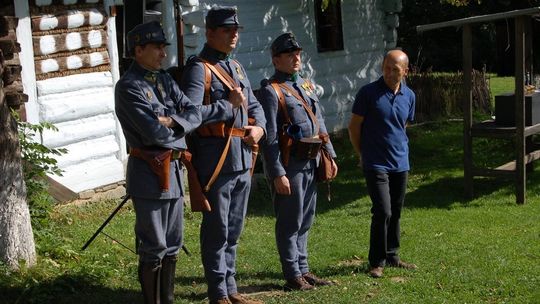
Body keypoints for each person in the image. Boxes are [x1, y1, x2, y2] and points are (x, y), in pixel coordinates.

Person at [180, 7, 266, 304]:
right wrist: (227, 107)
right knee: (218, 228)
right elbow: (189, 115)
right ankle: (218, 291)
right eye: (227, 30)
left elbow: (254, 106)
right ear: (210, 33)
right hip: (215, 160)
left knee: (235, 228)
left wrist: (261, 129)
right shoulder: (199, 69)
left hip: (242, 159)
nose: (234, 35)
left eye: (236, 30)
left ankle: (231, 288)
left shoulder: (237, 67)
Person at [114, 21, 201, 304]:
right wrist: (176, 125)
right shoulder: (129, 87)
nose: (163, 54)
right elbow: (153, 132)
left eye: (164, 48)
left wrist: (169, 120)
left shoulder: (164, 80)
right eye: (157, 48)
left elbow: (194, 113)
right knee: (154, 246)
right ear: (138, 50)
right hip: (148, 174)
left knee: (173, 244)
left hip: (173, 172)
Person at [257, 33, 338, 291]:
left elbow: (320, 122)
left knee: (306, 219)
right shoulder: (271, 91)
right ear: (276, 59)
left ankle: (304, 269)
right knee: (290, 221)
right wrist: (277, 172)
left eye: (298, 53)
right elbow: (269, 137)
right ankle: (292, 274)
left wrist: (330, 154)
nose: (296, 58)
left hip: (311, 161)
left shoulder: (304, 85)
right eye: (289, 54)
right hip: (289, 164)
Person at [347, 49, 417, 278]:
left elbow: (402, 125)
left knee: (395, 211)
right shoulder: (368, 93)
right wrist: (362, 153)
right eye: (386, 68)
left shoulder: (409, 96)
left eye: (394, 69)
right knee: (382, 210)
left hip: (400, 162)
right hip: (375, 162)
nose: (389, 73)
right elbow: (354, 127)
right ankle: (376, 262)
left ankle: (392, 256)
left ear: (405, 71)